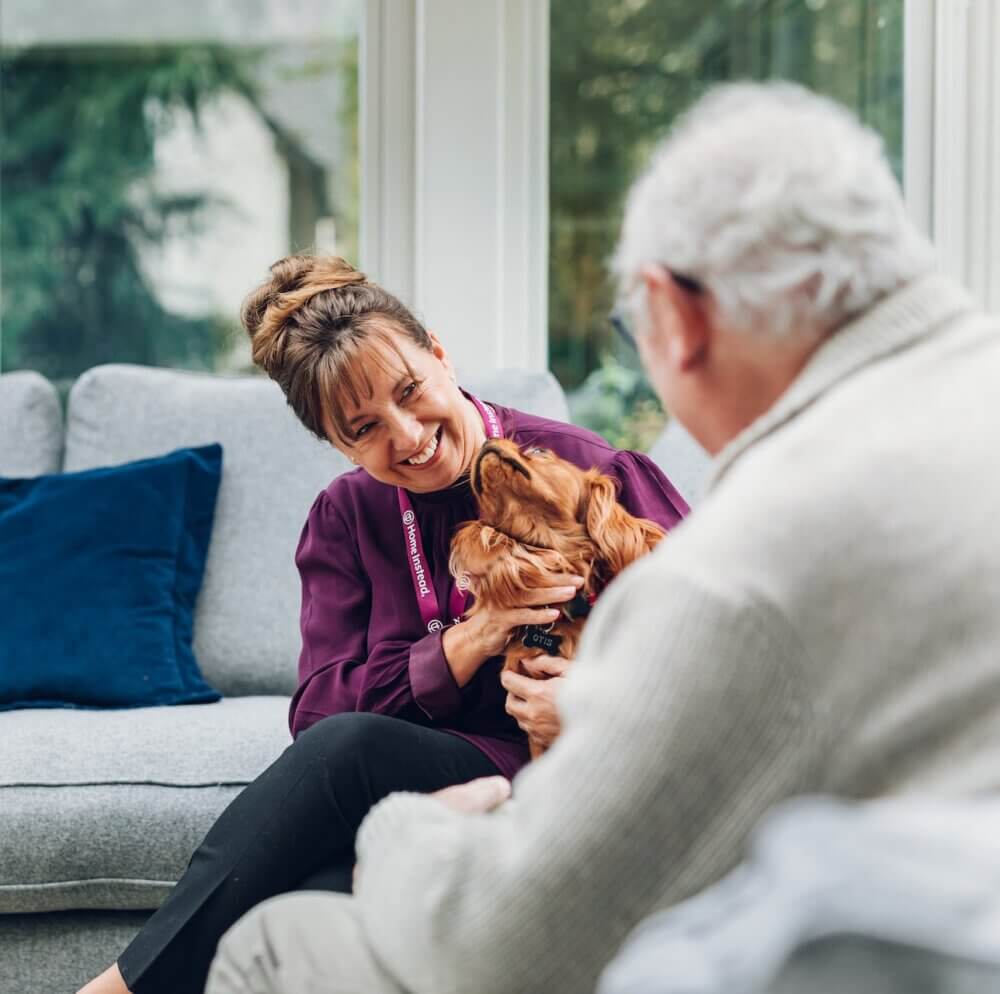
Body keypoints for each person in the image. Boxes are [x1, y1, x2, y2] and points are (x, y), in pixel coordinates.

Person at [204, 81, 1000, 994]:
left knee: (274, 942)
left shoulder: (751, 560)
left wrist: (406, 832)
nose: (407, 436)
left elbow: (515, 942)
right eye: (361, 428)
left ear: (678, 318)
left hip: (855, 950)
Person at [77, 257, 687, 994]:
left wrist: (594, 702)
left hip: (575, 768)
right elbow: (319, 713)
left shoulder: (585, 469)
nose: (407, 437)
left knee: (348, 772)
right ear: (336, 444)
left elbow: (714, 647)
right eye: (364, 429)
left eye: (410, 392)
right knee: (316, 890)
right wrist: (468, 639)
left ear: (438, 352)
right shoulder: (346, 517)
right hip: (443, 775)